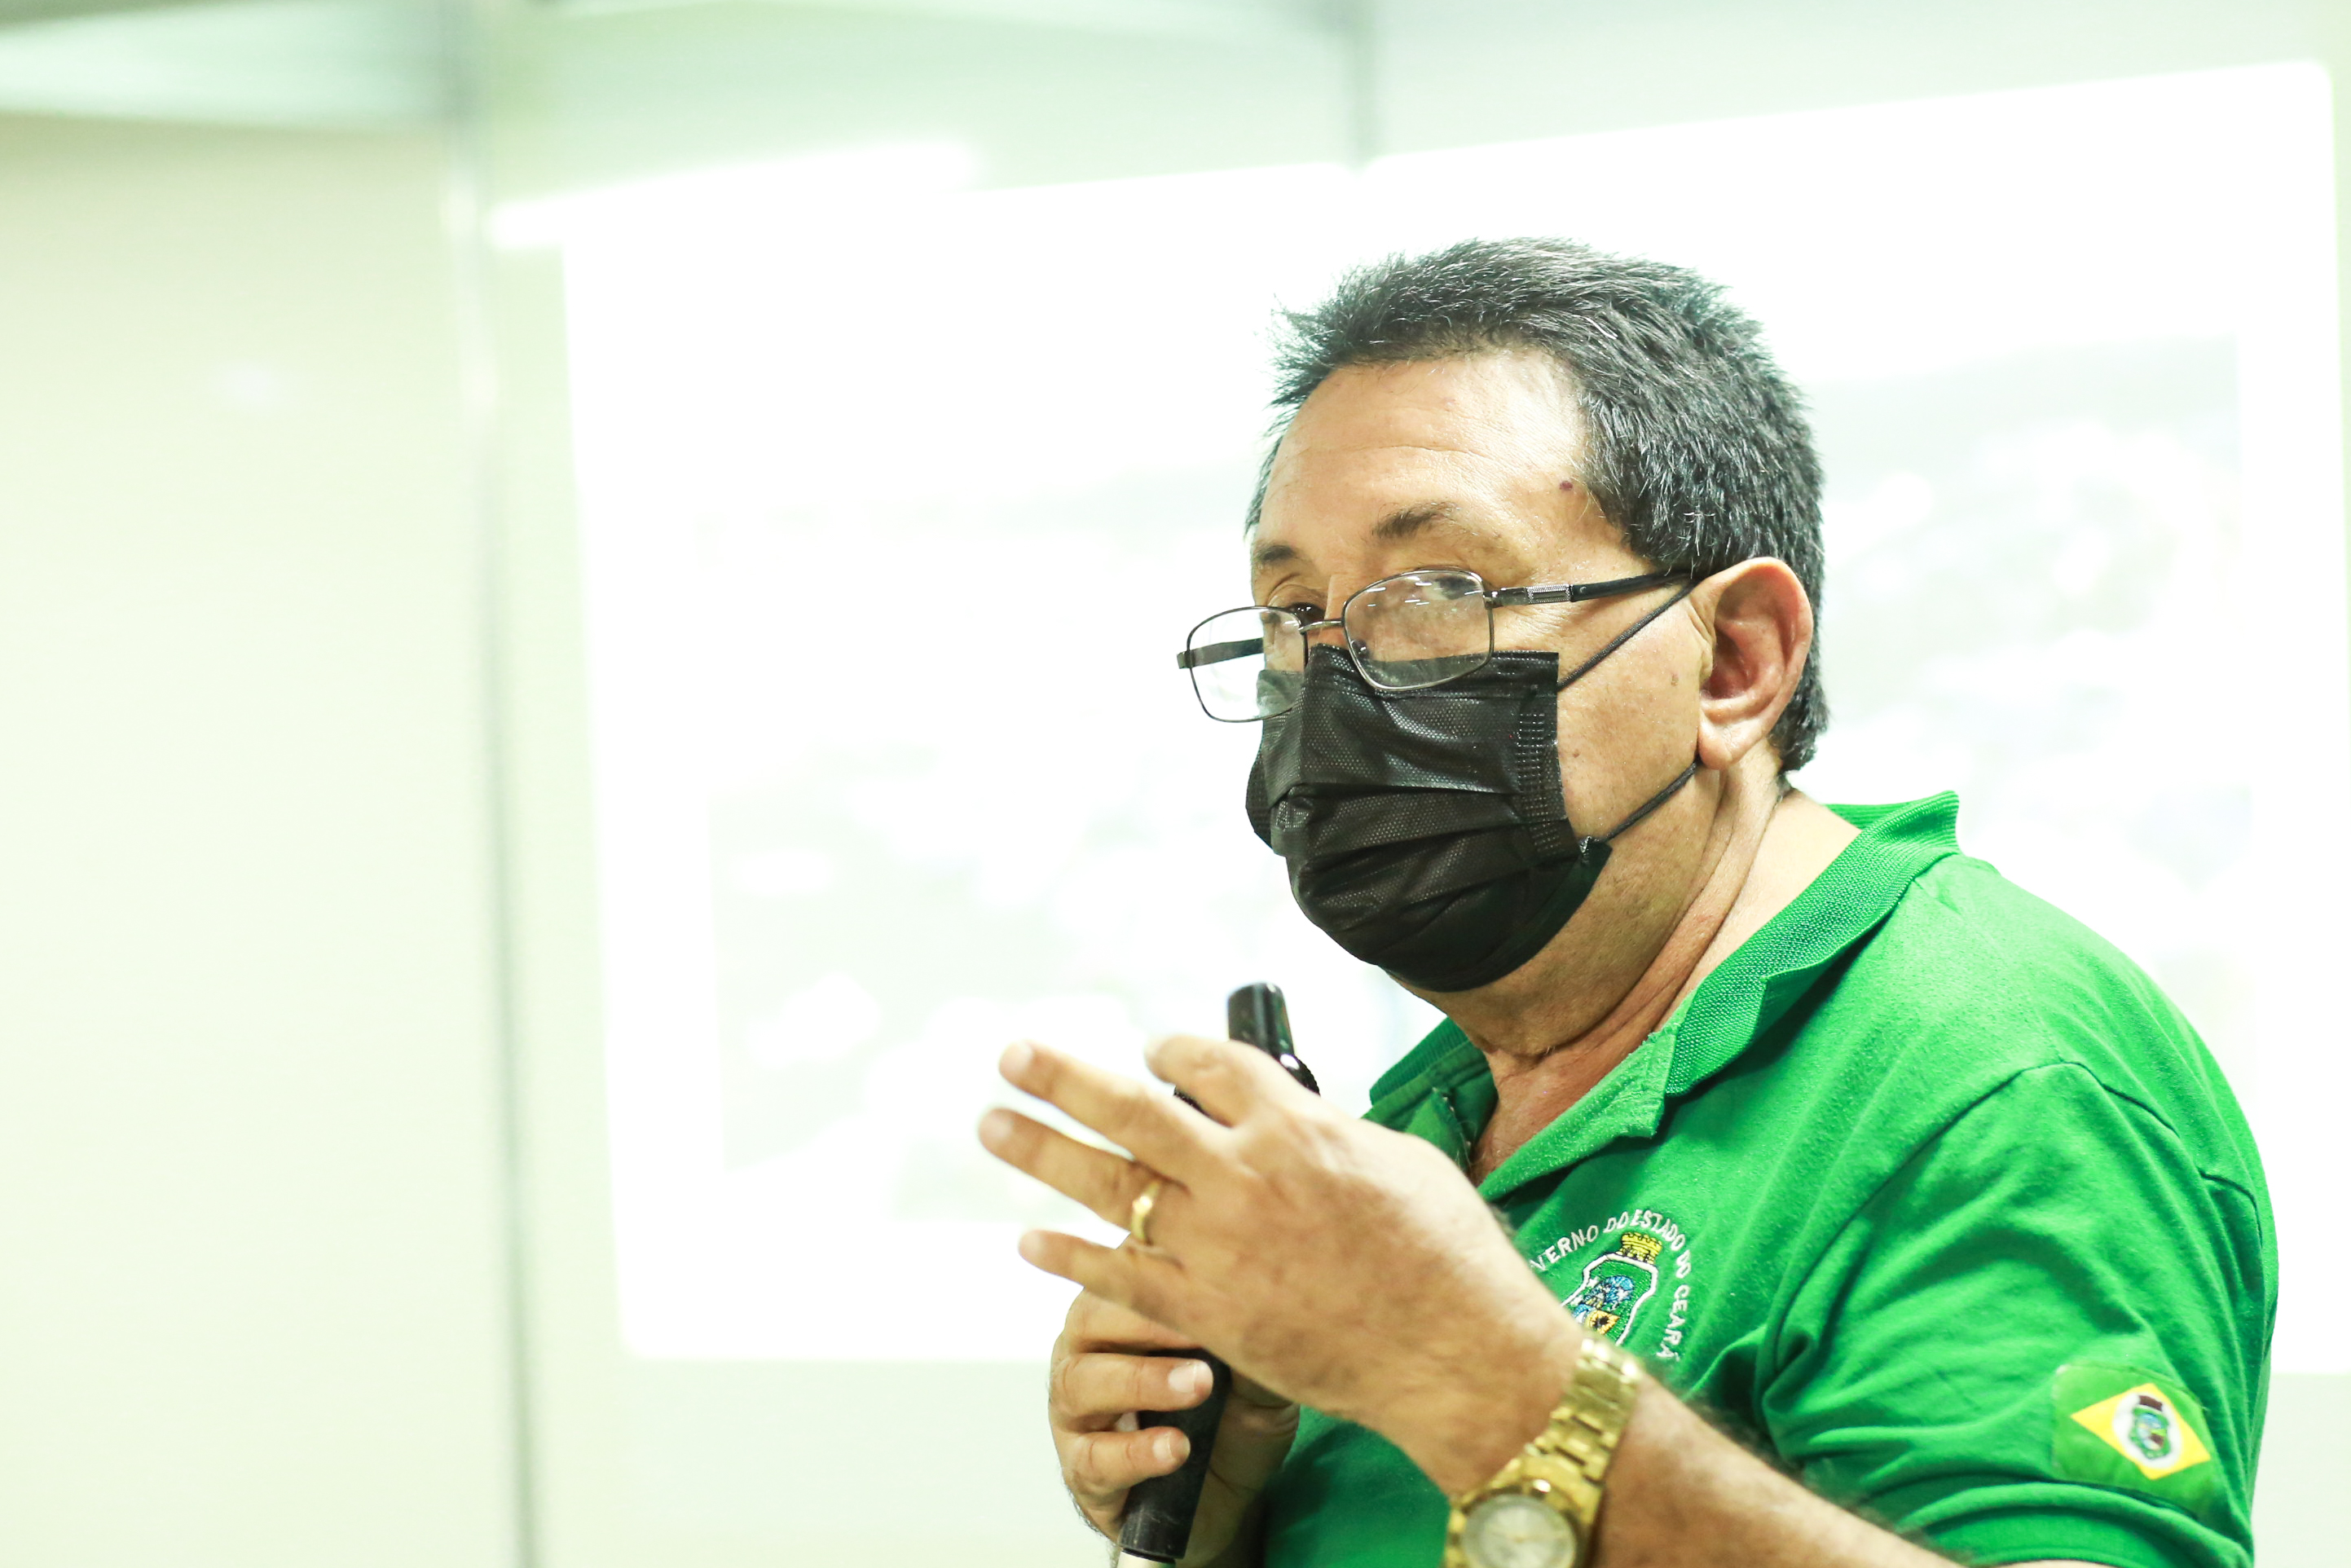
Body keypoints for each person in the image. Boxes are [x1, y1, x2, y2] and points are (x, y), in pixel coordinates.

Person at [976, 238, 2270, 1568]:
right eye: (1293, 614)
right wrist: (1234, 1510)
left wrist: (1480, 1381)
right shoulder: (1442, 1109)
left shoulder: (1991, 1074)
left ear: (1732, 663)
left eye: (1437, 596)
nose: (1337, 681)